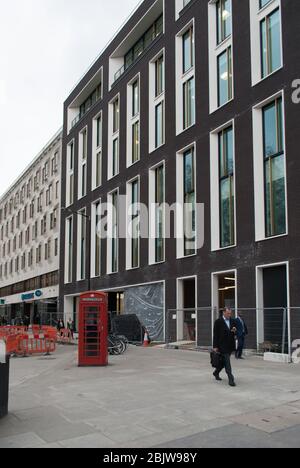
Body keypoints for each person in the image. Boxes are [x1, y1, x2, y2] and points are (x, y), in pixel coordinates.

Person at [213, 308, 237, 387]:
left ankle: (216, 372)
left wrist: (234, 330)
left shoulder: (232, 321)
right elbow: (215, 335)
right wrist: (215, 346)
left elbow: (234, 330)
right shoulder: (218, 322)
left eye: (230, 313)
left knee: (223, 362)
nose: (229, 315)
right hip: (221, 346)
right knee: (227, 362)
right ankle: (231, 379)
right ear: (223, 312)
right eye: (228, 313)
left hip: (230, 345)